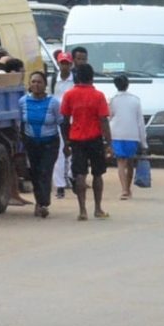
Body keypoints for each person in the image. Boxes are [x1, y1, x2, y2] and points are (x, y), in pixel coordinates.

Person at [58, 63, 113, 221]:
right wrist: (109, 142)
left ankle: (82, 210)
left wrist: (66, 141)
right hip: (95, 139)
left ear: (76, 77)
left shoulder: (69, 95)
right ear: (92, 77)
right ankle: (98, 208)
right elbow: (103, 120)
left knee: (80, 174)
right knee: (97, 174)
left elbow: (64, 120)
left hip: (76, 139)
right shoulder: (98, 96)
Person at [18, 70, 62, 219]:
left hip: (50, 143)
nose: (36, 85)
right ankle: (40, 203)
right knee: (35, 173)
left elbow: (61, 123)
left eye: (39, 82)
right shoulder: (23, 101)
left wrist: (68, 144)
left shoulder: (54, 103)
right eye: (33, 82)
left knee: (45, 171)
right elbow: (20, 124)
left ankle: (43, 204)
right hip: (31, 143)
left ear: (45, 85)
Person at [107, 73, 146, 200]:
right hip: (132, 135)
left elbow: (109, 117)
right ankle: (127, 189)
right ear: (127, 84)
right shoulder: (135, 100)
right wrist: (143, 142)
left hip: (117, 134)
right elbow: (140, 122)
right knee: (130, 163)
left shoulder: (112, 100)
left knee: (120, 163)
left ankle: (124, 189)